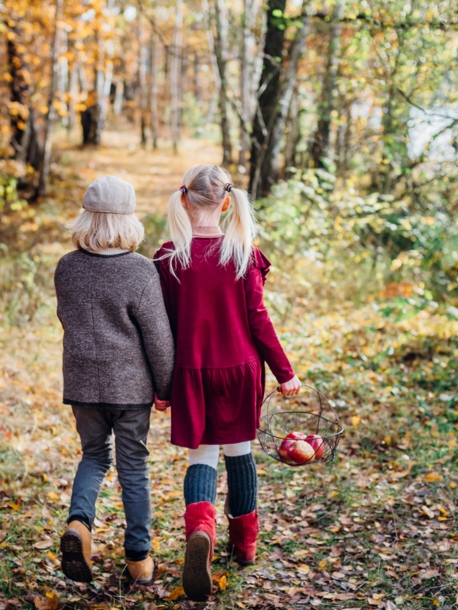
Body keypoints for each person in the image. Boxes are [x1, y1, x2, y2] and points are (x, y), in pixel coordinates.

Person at [154, 164, 301, 601]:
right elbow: (259, 321)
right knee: (239, 454)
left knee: (202, 455)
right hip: (239, 371)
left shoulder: (168, 257)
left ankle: (201, 531)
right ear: (225, 202)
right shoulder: (242, 252)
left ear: (184, 200)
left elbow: (161, 329)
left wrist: (162, 388)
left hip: (192, 372)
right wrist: (285, 373)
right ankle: (245, 543)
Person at [55, 175, 175, 585]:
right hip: (131, 389)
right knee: (133, 468)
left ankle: (80, 527)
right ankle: (139, 559)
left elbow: (66, 319)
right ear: (129, 220)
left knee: (93, 456)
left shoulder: (66, 268)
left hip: (83, 385)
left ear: (85, 218)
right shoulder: (141, 272)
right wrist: (166, 388)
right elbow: (158, 337)